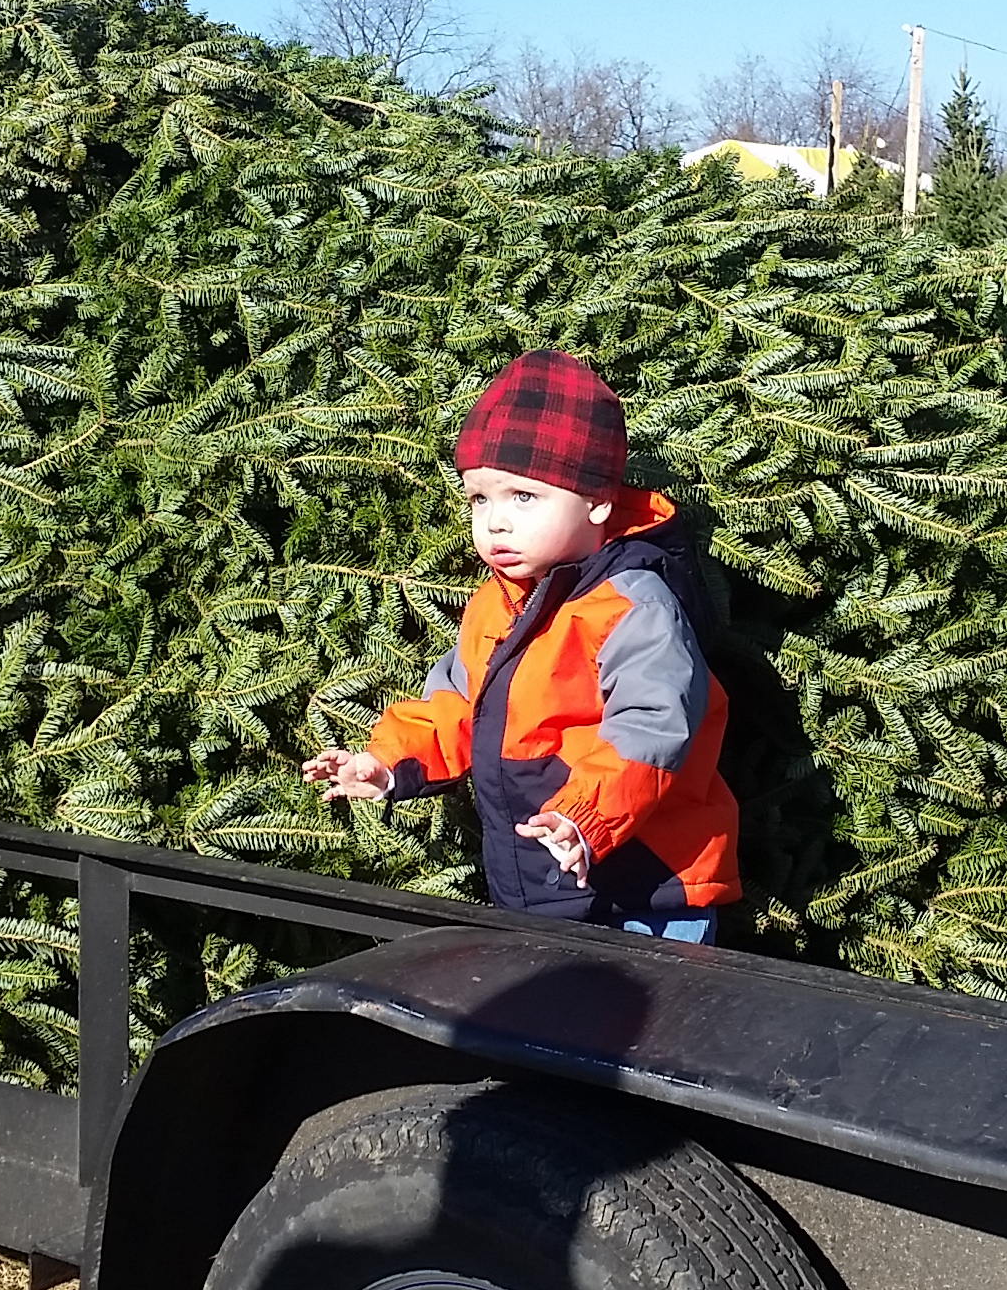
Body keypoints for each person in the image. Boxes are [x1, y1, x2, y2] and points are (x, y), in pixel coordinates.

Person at [301, 350, 740, 942]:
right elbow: (458, 704)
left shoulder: (633, 605)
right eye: (480, 499)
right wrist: (386, 762)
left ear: (597, 503)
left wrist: (583, 819)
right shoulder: (498, 601)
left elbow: (651, 731)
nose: (495, 522)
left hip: (646, 887)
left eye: (523, 497)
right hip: (542, 883)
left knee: (648, 1030)